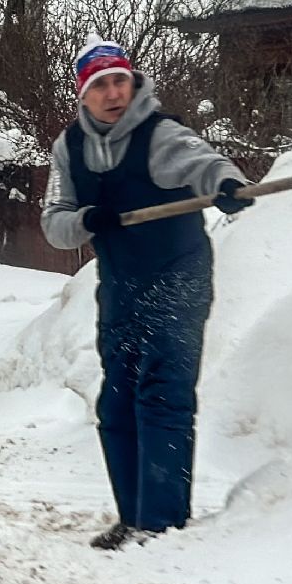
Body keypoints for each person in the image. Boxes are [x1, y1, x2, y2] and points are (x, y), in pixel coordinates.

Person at [41, 37, 252, 550]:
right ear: (83, 95)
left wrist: (228, 184)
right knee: (115, 402)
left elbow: (207, 165)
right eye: (100, 85)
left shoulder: (162, 135)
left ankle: (160, 526)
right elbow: (54, 223)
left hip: (178, 273)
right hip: (120, 283)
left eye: (120, 80)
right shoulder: (70, 150)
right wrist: (87, 220)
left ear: (133, 83)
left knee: (163, 394)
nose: (114, 93)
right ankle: (133, 518)